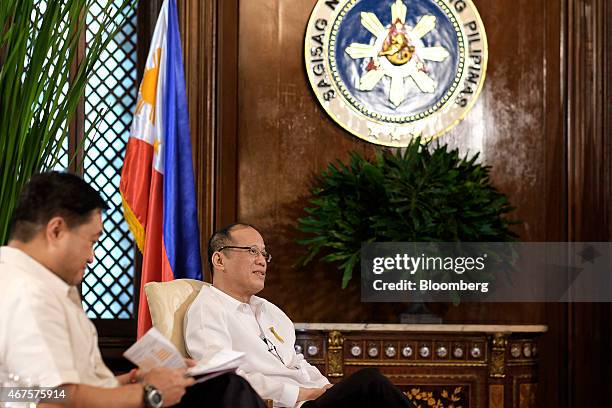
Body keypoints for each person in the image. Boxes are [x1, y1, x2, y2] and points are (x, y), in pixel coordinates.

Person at [0, 172, 265, 408]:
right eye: (91, 241)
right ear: (56, 230)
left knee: (221, 387)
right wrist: (149, 394)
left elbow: (58, 390)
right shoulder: (28, 292)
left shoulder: (37, 282)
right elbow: (50, 399)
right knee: (227, 391)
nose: (92, 257)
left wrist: (134, 379)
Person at [185, 223, 417, 408]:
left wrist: (327, 389)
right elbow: (223, 381)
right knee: (370, 384)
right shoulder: (208, 309)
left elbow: (296, 363)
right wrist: (304, 393)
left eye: (264, 254)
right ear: (219, 260)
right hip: (285, 405)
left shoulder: (270, 311)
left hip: (311, 400)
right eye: (252, 251)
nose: (261, 260)